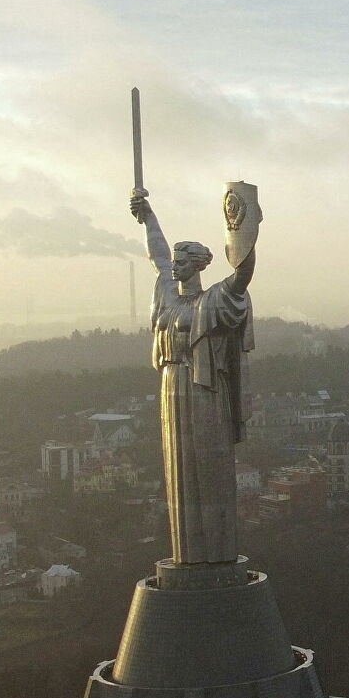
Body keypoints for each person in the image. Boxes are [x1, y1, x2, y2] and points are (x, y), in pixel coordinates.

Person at [129, 183, 259, 566]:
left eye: (182, 261)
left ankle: (216, 554)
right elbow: (156, 254)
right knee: (179, 468)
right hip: (171, 387)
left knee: (209, 466)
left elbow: (243, 274)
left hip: (204, 388)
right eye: (175, 261)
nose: (174, 266)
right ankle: (187, 555)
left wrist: (241, 229)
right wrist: (148, 216)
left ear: (198, 264)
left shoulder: (214, 299)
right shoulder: (169, 295)